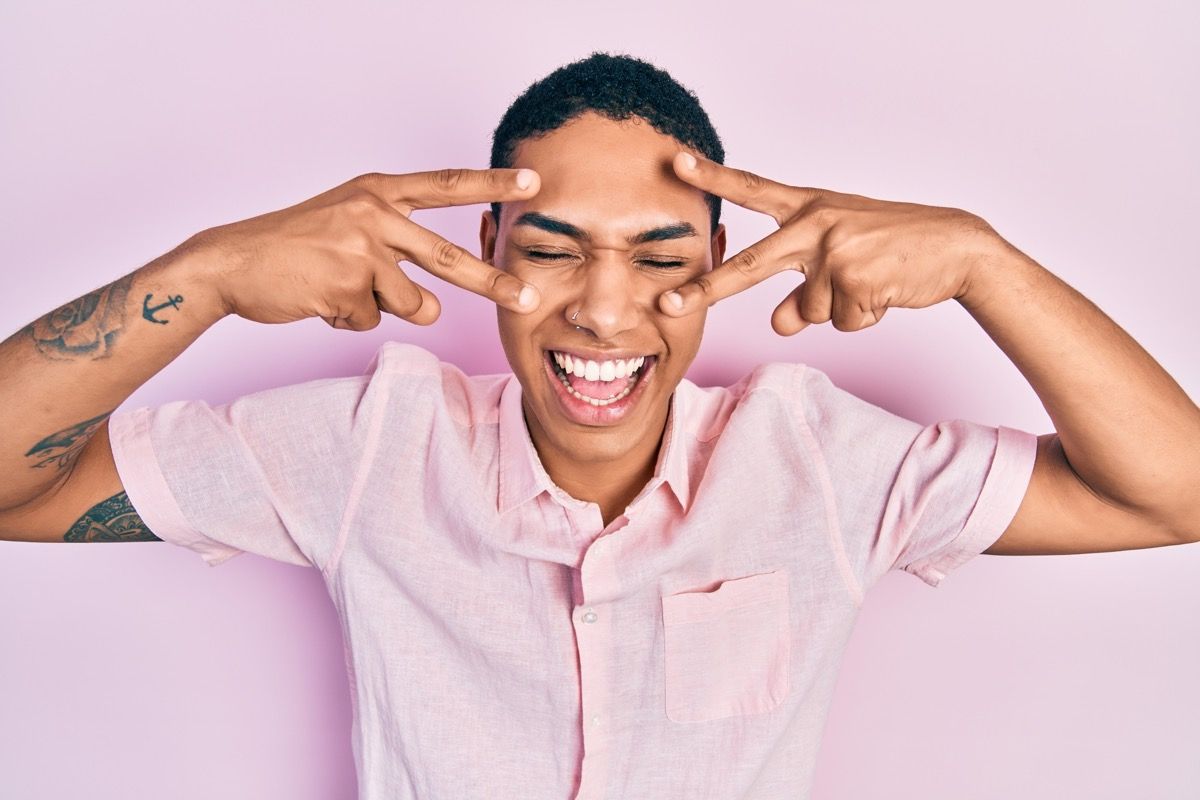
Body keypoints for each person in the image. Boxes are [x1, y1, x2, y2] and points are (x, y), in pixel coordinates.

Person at [1, 52, 1196, 799]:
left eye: (662, 257)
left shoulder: (822, 463)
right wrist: (205, 275)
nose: (607, 309)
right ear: (487, 251)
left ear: (726, 258)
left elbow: (1172, 493)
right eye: (553, 251)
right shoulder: (368, 448)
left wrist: (984, 259)